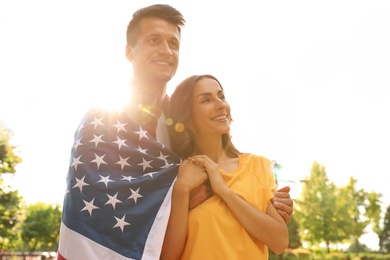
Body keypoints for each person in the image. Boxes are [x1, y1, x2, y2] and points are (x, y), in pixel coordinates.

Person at [57, 4, 293, 260]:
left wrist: (263, 202)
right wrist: (190, 193)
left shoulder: (180, 121)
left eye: (173, 43)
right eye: (154, 40)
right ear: (129, 51)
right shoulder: (102, 120)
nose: (166, 51)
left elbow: (215, 172)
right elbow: (100, 210)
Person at [161, 74, 288, 259]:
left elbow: (279, 241)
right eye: (206, 100)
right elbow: (168, 257)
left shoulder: (258, 165)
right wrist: (181, 190)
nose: (221, 104)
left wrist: (223, 190)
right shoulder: (177, 175)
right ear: (187, 118)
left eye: (221, 96)